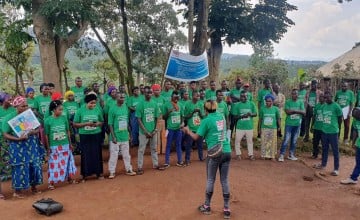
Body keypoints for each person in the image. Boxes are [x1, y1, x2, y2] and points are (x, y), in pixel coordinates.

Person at [182, 100, 231, 219]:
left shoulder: (206, 121)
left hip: (214, 153)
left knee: (210, 179)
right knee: (224, 180)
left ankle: (207, 206)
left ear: (205, 110)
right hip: (227, 150)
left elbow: (196, 137)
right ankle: (226, 208)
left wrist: (188, 130)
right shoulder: (222, 117)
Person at [2, 96, 43, 198]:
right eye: (22, 106)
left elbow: (38, 128)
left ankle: (34, 188)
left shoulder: (30, 115)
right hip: (17, 146)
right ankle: (17, 192)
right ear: (16, 107)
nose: (25, 108)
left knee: (34, 164)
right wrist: (18, 139)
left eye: (26, 105)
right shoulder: (9, 118)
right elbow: (5, 134)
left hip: (31, 144)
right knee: (20, 166)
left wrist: (34, 131)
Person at [44, 100, 77, 190]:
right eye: (59, 109)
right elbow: (46, 135)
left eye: (62, 109)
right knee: (54, 164)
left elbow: (67, 131)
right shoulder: (47, 121)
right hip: (54, 146)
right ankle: (51, 182)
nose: (61, 111)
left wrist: (70, 143)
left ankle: (70, 178)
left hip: (65, 144)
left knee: (67, 161)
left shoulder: (63, 118)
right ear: (53, 110)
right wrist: (48, 147)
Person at [73, 92, 104, 181]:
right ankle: (85, 174)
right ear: (87, 102)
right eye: (91, 103)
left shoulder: (97, 109)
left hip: (96, 134)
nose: (93, 105)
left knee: (97, 154)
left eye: (94, 103)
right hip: (85, 135)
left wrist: (98, 124)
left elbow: (101, 121)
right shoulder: (80, 110)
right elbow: (75, 124)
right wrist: (86, 124)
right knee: (85, 154)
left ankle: (99, 173)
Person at [135, 86, 165, 174]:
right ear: (144, 93)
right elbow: (139, 119)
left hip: (153, 131)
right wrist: (145, 131)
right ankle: (140, 167)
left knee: (154, 148)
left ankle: (155, 164)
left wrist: (155, 129)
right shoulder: (140, 104)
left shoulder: (154, 103)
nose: (149, 94)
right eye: (147, 92)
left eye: (150, 92)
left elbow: (157, 117)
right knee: (141, 149)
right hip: (143, 132)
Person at [108, 93, 137, 178]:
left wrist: (130, 134)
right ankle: (112, 172)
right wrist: (113, 136)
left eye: (124, 97)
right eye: (121, 97)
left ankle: (129, 169)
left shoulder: (125, 107)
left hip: (124, 135)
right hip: (116, 136)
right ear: (116, 97)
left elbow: (127, 122)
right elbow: (110, 124)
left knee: (126, 154)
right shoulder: (112, 108)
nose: (123, 99)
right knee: (114, 155)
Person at [314, 91, 342, 176]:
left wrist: (337, 127)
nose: (326, 99)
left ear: (332, 96)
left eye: (328, 97)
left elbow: (340, 118)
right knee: (324, 149)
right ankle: (323, 164)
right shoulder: (324, 106)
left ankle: (336, 169)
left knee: (335, 150)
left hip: (333, 132)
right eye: (325, 97)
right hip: (324, 131)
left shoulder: (336, 106)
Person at [278, 89, 305, 162]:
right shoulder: (288, 102)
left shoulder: (300, 102)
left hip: (297, 124)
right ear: (291, 95)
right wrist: (298, 111)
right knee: (286, 139)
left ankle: (291, 154)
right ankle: (281, 155)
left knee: (294, 140)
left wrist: (293, 111)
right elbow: (287, 112)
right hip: (289, 124)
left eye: (296, 94)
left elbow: (304, 112)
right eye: (293, 94)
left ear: (298, 95)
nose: (294, 95)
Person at [232, 91, 257, 160]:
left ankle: (251, 155)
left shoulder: (251, 104)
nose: (243, 98)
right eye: (241, 96)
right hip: (240, 126)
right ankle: (238, 154)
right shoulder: (237, 105)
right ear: (240, 97)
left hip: (249, 126)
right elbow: (235, 117)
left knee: (250, 141)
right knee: (237, 141)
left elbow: (255, 114)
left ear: (247, 96)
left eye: (244, 96)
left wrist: (250, 114)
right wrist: (243, 116)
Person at [162, 91, 184, 168]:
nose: (176, 99)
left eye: (178, 97)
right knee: (168, 145)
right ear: (171, 97)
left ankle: (180, 161)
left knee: (178, 144)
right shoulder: (166, 105)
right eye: (175, 97)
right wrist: (168, 112)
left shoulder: (180, 104)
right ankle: (167, 162)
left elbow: (182, 116)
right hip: (170, 128)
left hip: (178, 128)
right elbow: (163, 117)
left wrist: (182, 123)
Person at [183, 90, 205, 164]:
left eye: (199, 95)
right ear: (192, 96)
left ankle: (201, 157)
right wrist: (193, 112)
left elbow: (203, 116)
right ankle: (187, 159)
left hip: (199, 128)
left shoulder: (201, 104)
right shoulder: (188, 104)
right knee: (188, 145)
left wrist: (199, 112)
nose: (198, 97)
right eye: (197, 95)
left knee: (200, 145)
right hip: (191, 129)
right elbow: (185, 117)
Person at [341, 107, 360, 185]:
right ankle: (354, 178)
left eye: (357, 116)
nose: (355, 118)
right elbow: (355, 131)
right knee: (358, 162)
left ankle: (353, 177)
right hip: (359, 144)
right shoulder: (356, 120)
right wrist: (354, 143)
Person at [259, 94, 281, 160]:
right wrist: (259, 129)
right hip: (264, 128)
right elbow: (260, 120)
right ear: (265, 101)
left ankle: (272, 156)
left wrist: (279, 126)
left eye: (270, 101)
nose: (268, 102)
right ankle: (264, 155)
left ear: (273, 101)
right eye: (267, 101)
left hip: (273, 128)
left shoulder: (276, 109)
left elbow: (278, 119)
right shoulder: (262, 109)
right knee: (264, 142)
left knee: (272, 143)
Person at [152, 84, 166, 154]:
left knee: (163, 135)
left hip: (162, 118)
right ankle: (157, 150)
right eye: (155, 90)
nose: (157, 91)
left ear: (160, 90)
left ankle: (163, 150)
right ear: (153, 91)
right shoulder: (151, 99)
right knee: (156, 136)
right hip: (154, 120)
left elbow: (165, 108)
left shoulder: (163, 98)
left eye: (158, 90)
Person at [310, 94, 325, 159]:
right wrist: (312, 126)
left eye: (322, 97)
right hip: (316, 127)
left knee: (324, 142)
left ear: (325, 98)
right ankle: (315, 154)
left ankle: (324, 155)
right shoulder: (317, 106)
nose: (321, 99)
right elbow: (314, 116)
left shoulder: (326, 106)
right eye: (320, 97)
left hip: (324, 128)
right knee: (315, 142)